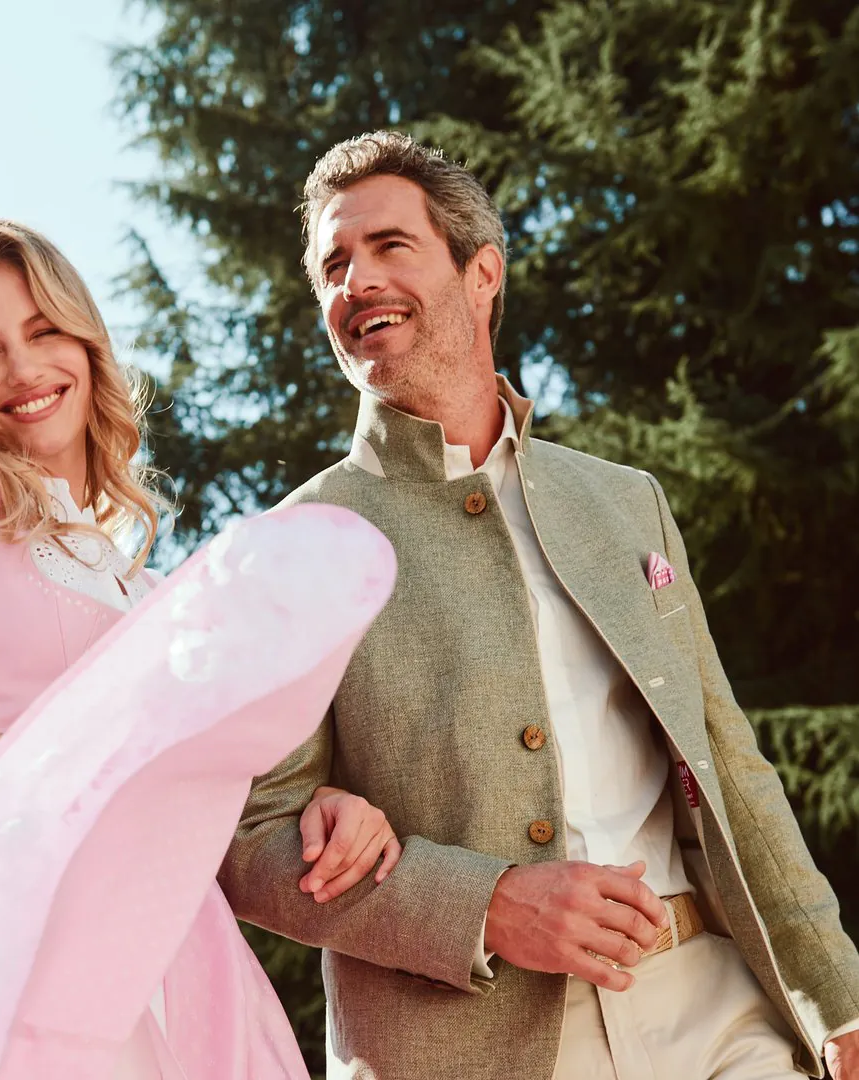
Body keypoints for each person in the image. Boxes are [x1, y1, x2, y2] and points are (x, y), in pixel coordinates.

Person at [219, 132, 859, 1080]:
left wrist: (836, 1002)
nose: (355, 281)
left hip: (715, 1011)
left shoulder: (624, 501)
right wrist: (488, 903)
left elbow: (727, 764)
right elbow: (246, 836)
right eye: (333, 265)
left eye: (390, 246)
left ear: (482, 273)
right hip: (465, 1048)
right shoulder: (291, 545)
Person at [0, 219, 401, 1079]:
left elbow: (195, 799)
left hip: (178, 972)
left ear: (87, 345)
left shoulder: (143, 587)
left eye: (44, 330)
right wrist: (87, 747)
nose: (24, 371)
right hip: (5, 966)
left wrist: (326, 807)